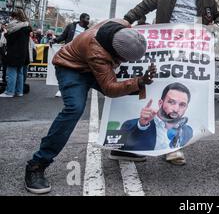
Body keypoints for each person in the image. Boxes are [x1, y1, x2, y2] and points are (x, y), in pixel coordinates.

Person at [24, 19, 157, 195]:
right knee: (74, 109)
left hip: (90, 64)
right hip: (72, 68)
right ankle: (37, 164)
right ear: (116, 53)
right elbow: (109, 89)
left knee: (133, 90)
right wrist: (138, 81)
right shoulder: (98, 53)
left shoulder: (122, 24)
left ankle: (120, 146)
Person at [122, 0, 219, 166]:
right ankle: (136, 138)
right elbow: (145, 5)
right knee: (156, 89)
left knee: (178, 95)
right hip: (163, 48)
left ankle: (173, 147)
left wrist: (217, 25)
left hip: (190, 50)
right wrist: (126, 20)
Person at [117, 83, 193, 155]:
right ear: (160, 103)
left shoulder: (188, 131)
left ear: (186, 108)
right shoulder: (131, 124)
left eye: (182, 105)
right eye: (171, 102)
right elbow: (121, 148)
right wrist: (142, 125)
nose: (176, 109)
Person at [51, 13, 90, 97]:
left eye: (89, 19)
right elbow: (63, 36)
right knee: (65, 71)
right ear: (81, 19)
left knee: (77, 73)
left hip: (80, 55)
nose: (88, 21)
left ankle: (76, 91)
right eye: (87, 19)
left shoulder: (88, 30)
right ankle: (61, 90)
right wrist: (54, 40)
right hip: (68, 53)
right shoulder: (71, 26)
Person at [0, 10, 32, 98]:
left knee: (11, 72)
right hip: (23, 54)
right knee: (20, 73)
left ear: (15, 17)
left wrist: (6, 34)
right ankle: (19, 91)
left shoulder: (14, 27)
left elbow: (10, 40)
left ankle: (10, 92)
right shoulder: (26, 26)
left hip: (13, 53)